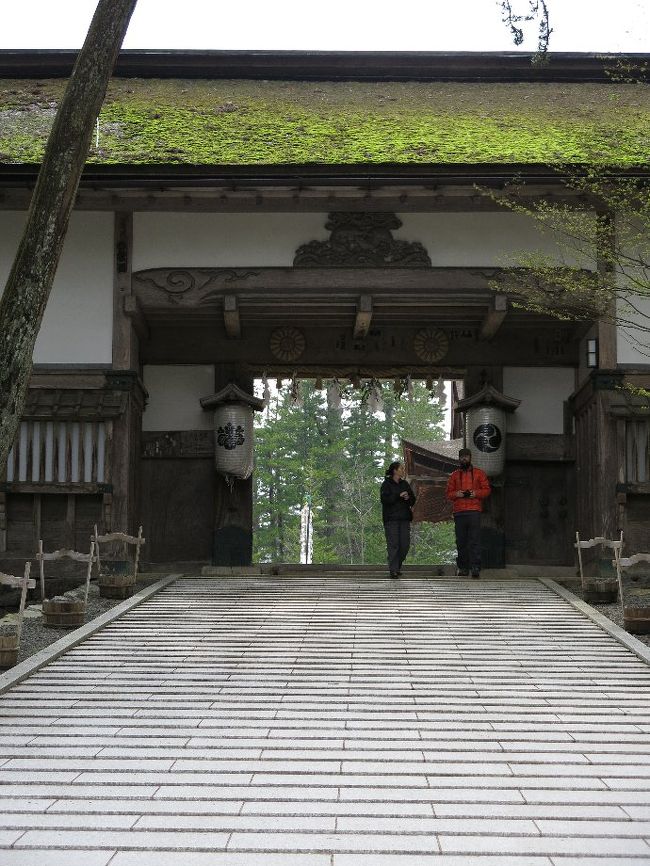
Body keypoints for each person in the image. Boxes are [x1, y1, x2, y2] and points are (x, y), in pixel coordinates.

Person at [446, 447, 491, 578]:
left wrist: (475, 493)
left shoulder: (479, 473)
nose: (464, 459)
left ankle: (475, 567)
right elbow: (448, 493)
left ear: (470, 458)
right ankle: (463, 568)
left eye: (466, 456)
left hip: (474, 511)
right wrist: (457, 494)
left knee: (474, 540)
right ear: (459, 459)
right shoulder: (454, 475)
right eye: (462, 457)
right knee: (461, 541)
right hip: (459, 512)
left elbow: (487, 490)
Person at [380, 461, 416, 579]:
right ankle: (393, 569)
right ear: (395, 470)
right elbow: (385, 500)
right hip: (391, 519)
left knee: (405, 545)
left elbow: (413, 500)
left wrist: (407, 497)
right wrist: (398, 495)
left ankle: (397, 566)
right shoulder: (386, 484)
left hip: (404, 518)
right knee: (393, 544)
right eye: (401, 469)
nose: (403, 470)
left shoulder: (404, 484)